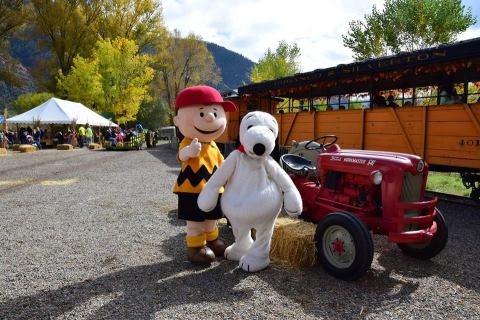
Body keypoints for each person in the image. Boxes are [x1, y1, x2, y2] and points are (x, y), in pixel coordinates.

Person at [173, 85, 237, 264]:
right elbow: (181, 156)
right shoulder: (187, 141)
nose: (210, 117)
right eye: (202, 113)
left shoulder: (214, 145)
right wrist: (189, 152)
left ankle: (212, 240)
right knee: (195, 221)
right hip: (191, 188)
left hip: (214, 189)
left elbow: (221, 164)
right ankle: (195, 247)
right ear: (177, 120)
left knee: (212, 217)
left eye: (216, 113)